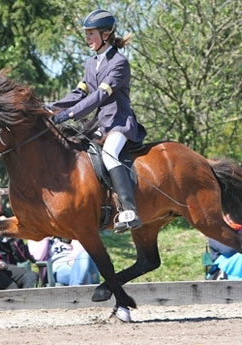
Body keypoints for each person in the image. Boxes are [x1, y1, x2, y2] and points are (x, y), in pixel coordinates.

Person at [50, 9, 147, 233]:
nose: (88, 39)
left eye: (91, 33)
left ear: (106, 34)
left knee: (110, 152)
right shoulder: (90, 63)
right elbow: (79, 93)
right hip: (100, 125)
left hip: (119, 123)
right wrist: (51, 108)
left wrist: (70, 114)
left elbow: (100, 96)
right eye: (86, 34)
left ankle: (129, 210)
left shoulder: (119, 63)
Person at [29, 237, 100, 286]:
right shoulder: (36, 233)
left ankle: (76, 289)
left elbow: (82, 250)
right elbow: (38, 256)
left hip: (76, 264)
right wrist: (45, 234)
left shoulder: (67, 231)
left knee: (85, 254)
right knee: (86, 276)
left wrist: (73, 233)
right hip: (57, 269)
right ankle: (77, 287)